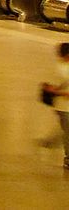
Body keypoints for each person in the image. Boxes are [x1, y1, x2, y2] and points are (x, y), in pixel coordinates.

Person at [40, 42, 69, 170]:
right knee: (67, 133)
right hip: (63, 107)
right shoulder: (58, 69)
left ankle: (51, 141)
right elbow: (49, 87)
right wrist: (63, 93)